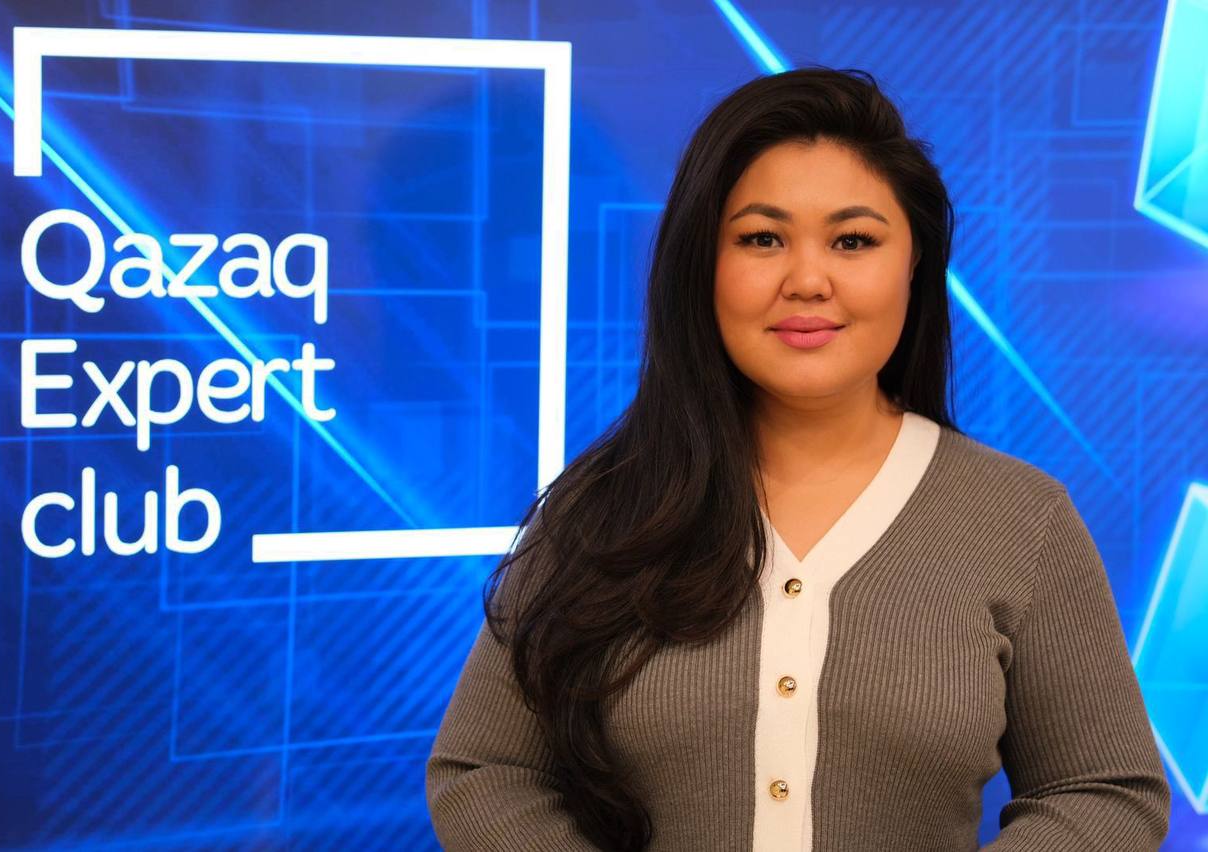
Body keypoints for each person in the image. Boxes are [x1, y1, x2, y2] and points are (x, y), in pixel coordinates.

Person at [424, 66, 1171, 851]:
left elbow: (1105, 791)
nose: (808, 280)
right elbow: (484, 770)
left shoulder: (1021, 520)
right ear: (702, 265)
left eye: (853, 241)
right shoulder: (602, 507)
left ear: (914, 264)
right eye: (761, 239)